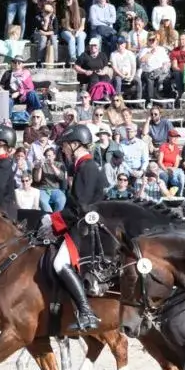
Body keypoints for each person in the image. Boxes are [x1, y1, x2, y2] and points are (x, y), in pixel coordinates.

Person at [48, 125, 105, 331]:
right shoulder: (85, 166)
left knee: (59, 263)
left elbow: (80, 207)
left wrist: (53, 221)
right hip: (82, 225)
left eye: (64, 145)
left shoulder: (87, 167)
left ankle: (86, 311)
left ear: (75, 144)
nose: (63, 150)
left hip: (85, 230)